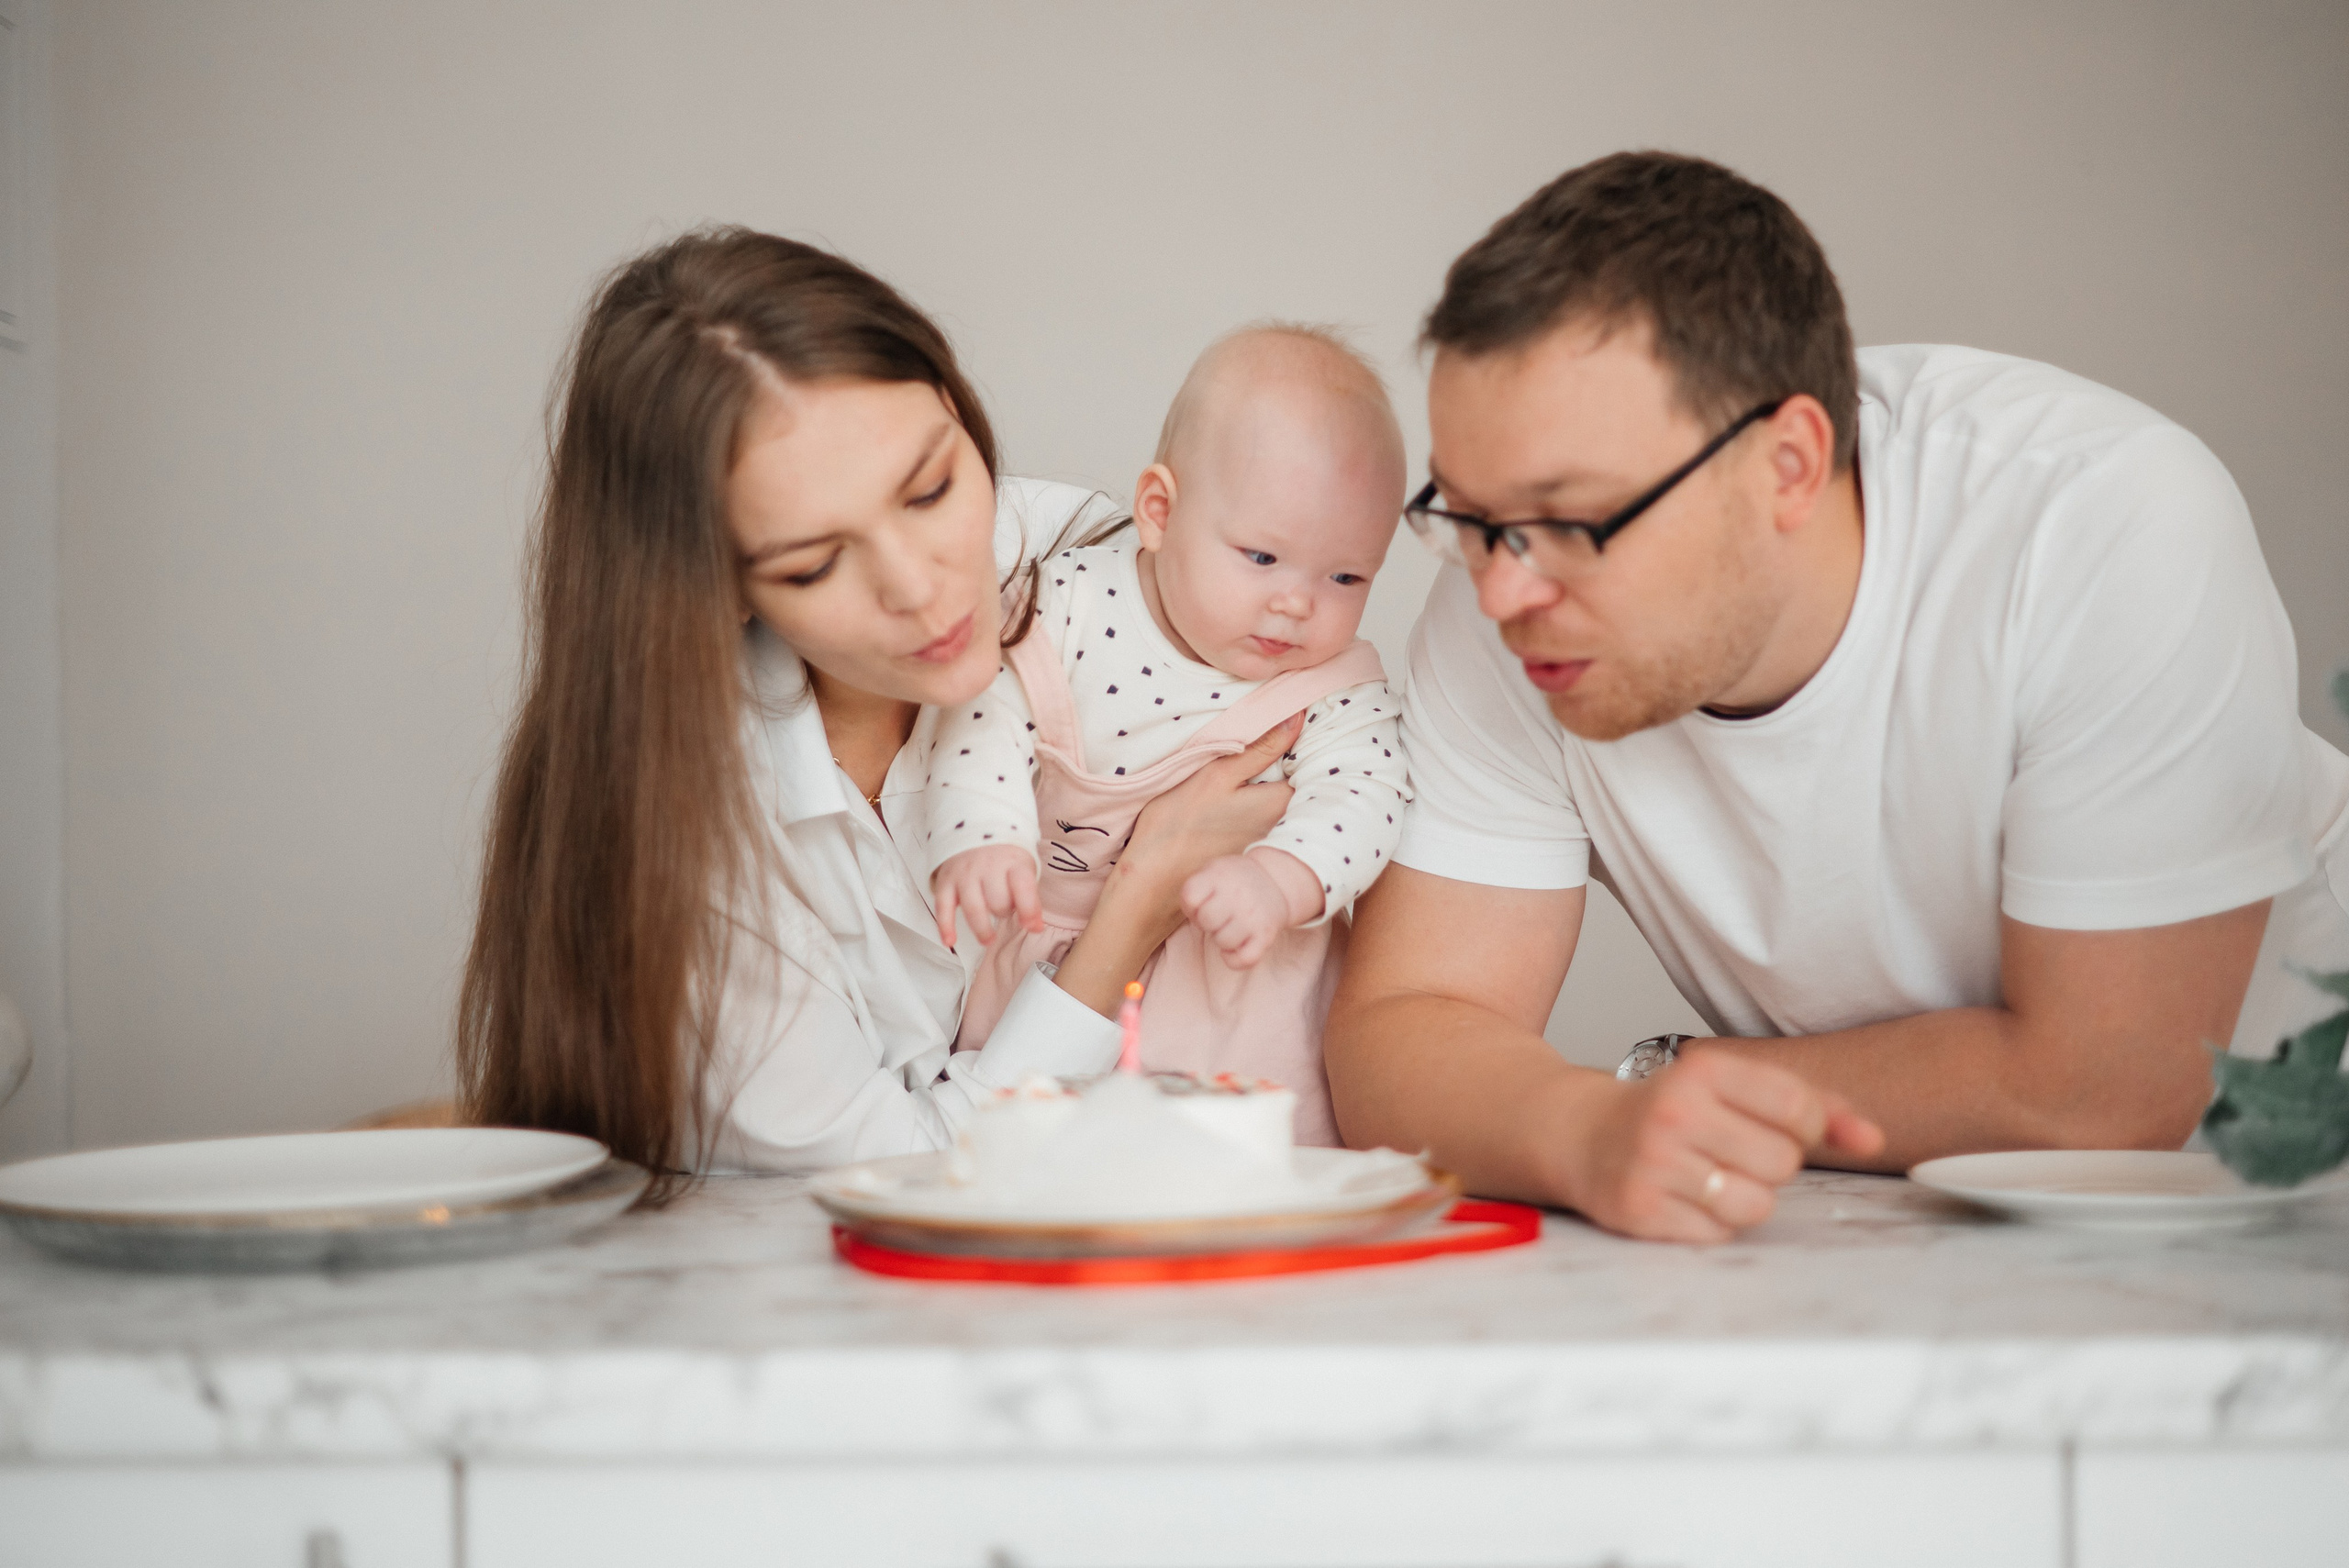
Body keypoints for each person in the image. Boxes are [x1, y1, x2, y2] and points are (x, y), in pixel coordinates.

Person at [1325, 151, 2349, 1243]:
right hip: (1887, 1213)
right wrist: (1581, 1126)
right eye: (1470, 518)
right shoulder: (1507, 596)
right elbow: (1402, 1029)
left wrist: (1683, 1081)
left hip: (2289, 1197)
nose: (1501, 586)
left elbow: (2104, 1095)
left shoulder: (2102, 520)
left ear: (1789, 465)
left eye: (1570, 518)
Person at [456, 228, 1303, 1188]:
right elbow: (890, 1173)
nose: (922, 585)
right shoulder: (683, 837)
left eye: (932, 487)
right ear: (712, 586)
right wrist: (1137, 900)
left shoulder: (1088, 561)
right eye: (815, 563)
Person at [922, 326, 1411, 1143]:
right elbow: (985, 707)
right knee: (1034, 1163)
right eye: (1262, 556)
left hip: (1236, 986)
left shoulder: (1334, 682)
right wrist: (984, 833)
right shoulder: (1066, 601)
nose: (1298, 603)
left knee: (1250, 1166)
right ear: (1159, 511)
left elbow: (1369, 796)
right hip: (1061, 969)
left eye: (1346, 576)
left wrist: (1281, 881)